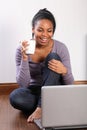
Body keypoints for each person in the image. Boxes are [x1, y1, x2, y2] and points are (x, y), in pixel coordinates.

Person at [9, 8, 74, 123]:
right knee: (16, 97)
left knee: (53, 57)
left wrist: (64, 71)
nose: (45, 35)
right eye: (40, 30)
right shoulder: (22, 49)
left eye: (49, 31)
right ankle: (50, 106)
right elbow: (23, 84)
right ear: (33, 29)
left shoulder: (61, 48)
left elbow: (69, 83)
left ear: (53, 31)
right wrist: (25, 58)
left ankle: (41, 108)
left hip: (54, 89)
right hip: (35, 90)